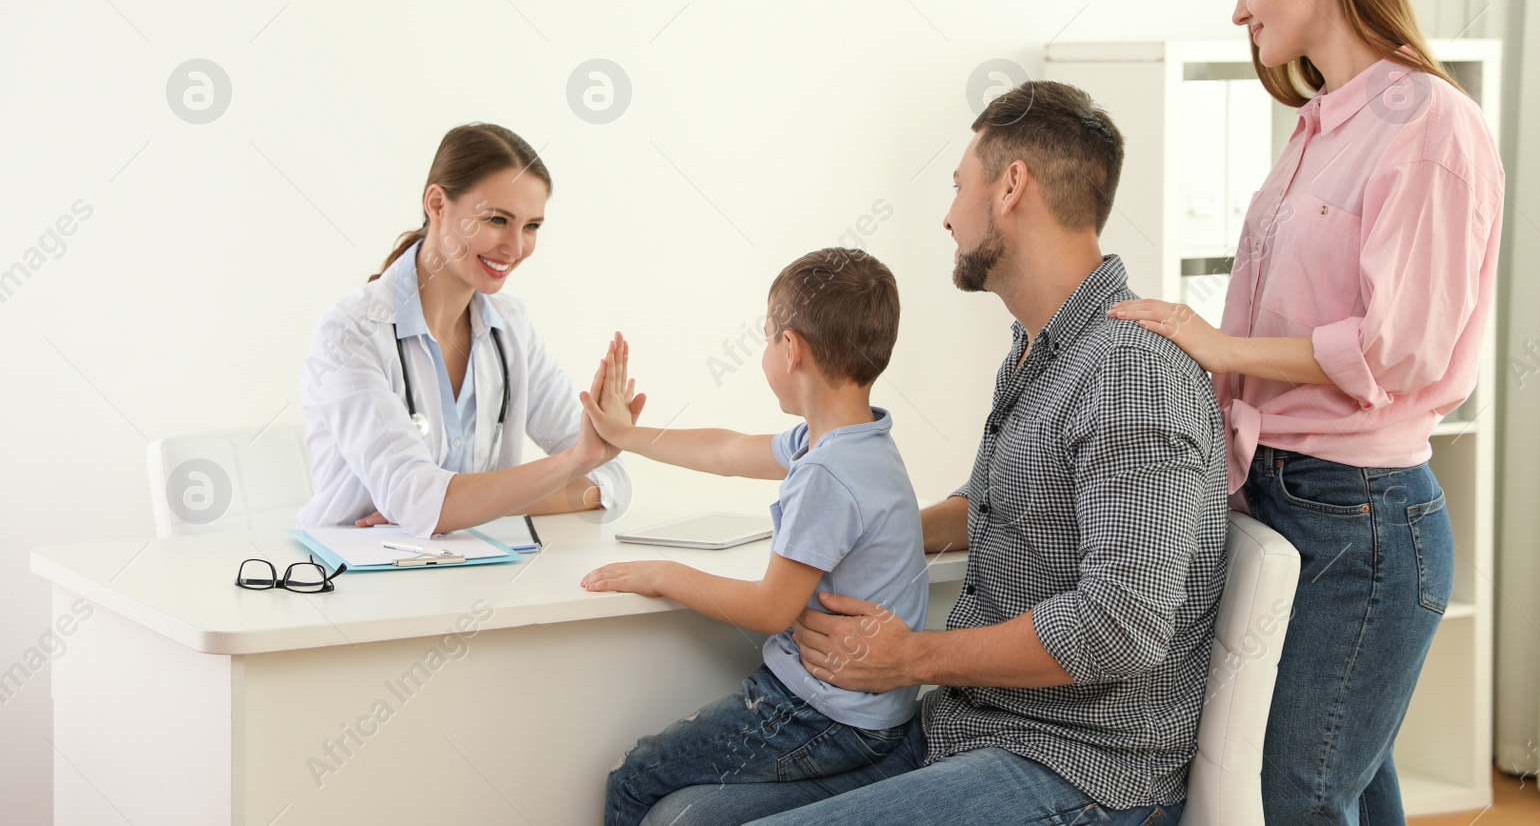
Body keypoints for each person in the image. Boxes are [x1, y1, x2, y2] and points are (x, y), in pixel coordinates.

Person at [640, 81, 1228, 826]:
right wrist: (848, 528)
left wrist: (912, 656)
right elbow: (989, 510)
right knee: (680, 816)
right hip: (972, 726)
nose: (948, 214)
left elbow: (1120, 625)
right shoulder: (1039, 351)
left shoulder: (1129, 373)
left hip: (1080, 766)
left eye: (959, 185)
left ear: (1012, 186)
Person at [1110, 0, 1505, 825]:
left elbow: (1399, 346)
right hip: (1285, 493)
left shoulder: (1429, 125)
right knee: (1344, 781)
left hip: (1362, 521)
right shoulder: (1317, 127)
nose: (1239, 4)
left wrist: (1220, 342)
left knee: (1301, 790)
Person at [577, 248, 926, 826]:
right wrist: (627, 435)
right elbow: (726, 449)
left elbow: (770, 609)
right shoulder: (857, 439)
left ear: (791, 349)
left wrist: (663, 572)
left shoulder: (827, 473)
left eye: (767, 339)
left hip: (821, 714)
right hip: (866, 713)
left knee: (634, 778)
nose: (765, 354)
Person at [296, 122, 637, 538]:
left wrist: (456, 507)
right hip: (353, 580)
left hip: (473, 573)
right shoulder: (350, 334)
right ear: (437, 205)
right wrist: (569, 466)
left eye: (531, 227)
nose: (515, 248)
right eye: (497, 219)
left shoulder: (511, 328)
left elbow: (609, 480)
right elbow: (423, 502)